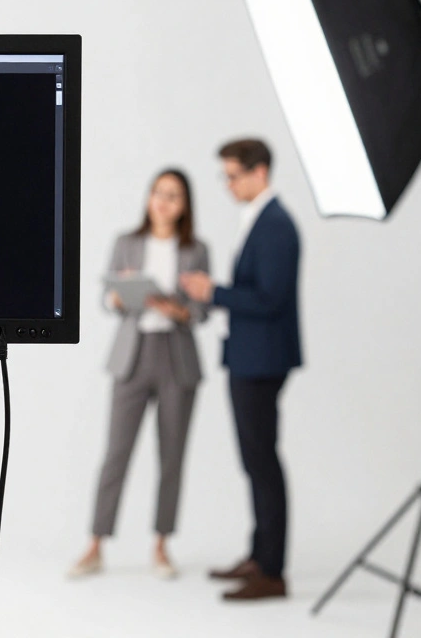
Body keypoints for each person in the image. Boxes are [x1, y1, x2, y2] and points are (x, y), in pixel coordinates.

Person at [70, 169, 210, 580]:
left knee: (172, 456)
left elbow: (201, 310)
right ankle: (96, 544)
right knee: (116, 453)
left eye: (173, 195)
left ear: (184, 205)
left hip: (176, 359)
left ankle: (161, 546)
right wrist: (120, 295)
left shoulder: (196, 250)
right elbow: (108, 299)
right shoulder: (127, 243)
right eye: (158, 193)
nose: (163, 201)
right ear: (149, 198)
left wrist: (175, 309)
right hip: (132, 357)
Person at [180, 138, 301, 601]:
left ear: (259, 172)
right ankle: (259, 556)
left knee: (262, 462)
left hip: (262, 359)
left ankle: (272, 571)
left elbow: (270, 299)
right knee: (255, 461)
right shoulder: (261, 219)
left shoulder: (276, 225)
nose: (228, 185)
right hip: (250, 355)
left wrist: (213, 292)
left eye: (232, 176)